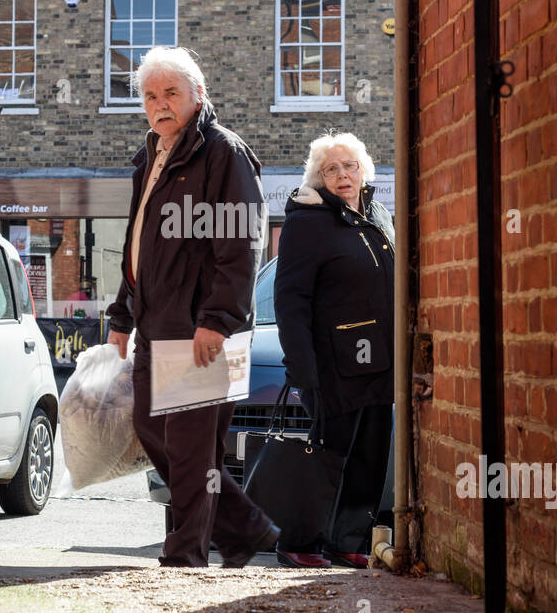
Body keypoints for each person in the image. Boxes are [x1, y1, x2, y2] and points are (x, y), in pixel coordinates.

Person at [106, 48, 280, 568]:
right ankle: (246, 527)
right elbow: (139, 247)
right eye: (150, 96)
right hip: (155, 326)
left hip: (203, 331)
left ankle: (185, 556)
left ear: (198, 95)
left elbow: (241, 243)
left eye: (171, 93)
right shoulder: (152, 155)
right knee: (151, 430)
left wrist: (218, 322)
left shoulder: (222, 153)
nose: (160, 104)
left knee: (188, 451)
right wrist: (121, 315)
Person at [273, 133, 394, 568]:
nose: (343, 175)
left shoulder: (378, 216)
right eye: (331, 169)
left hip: (378, 361)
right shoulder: (308, 223)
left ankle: (349, 542)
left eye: (350, 166)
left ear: (364, 170)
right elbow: (290, 301)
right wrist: (304, 371)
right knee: (328, 457)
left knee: (370, 457)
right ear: (319, 178)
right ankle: (299, 541)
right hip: (333, 365)